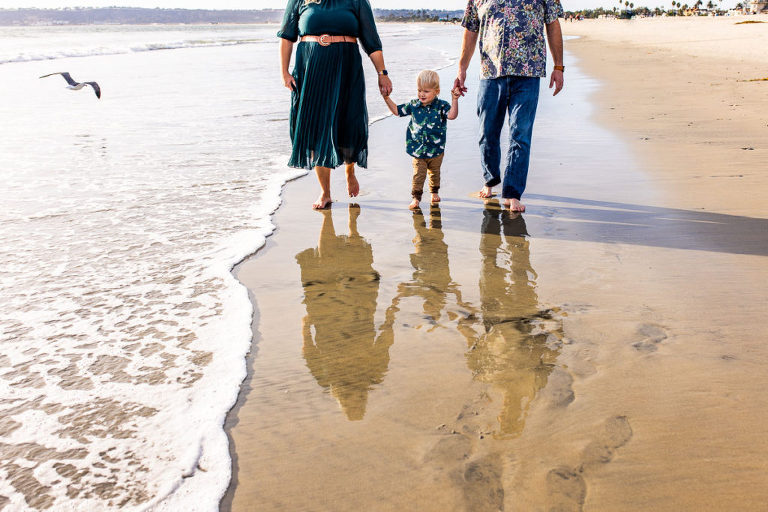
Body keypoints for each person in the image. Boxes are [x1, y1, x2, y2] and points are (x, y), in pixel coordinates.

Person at [278, 0, 393, 209]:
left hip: (346, 69)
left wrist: (382, 73)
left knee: (348, 121)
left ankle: (350, 171)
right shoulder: (299, 1)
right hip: (310, 70)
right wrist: (284, 72)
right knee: (315, 129)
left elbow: (371, 41)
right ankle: (325, 192)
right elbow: (287, 37)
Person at [454, 0, 565, 212]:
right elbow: (470, 29)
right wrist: (462, 68)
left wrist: (558, 66)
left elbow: (552, 23)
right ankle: (491, 179)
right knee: (487, 133)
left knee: (520, 134)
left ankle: (512, 193)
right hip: (490, 72)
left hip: (528, 72)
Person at [383, 70, 460, 209]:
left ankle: (434, 192)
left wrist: (455, 100)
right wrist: (387, 98)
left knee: (435, 173)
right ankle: (416, 198)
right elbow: (397, 111)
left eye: (426, 91)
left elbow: (452, 115)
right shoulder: (414, 105)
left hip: (436, 150)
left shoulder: (441, 106)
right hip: (418, 150)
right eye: (419, 90)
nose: (421, 94)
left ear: (436, 91)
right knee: (419, 175)